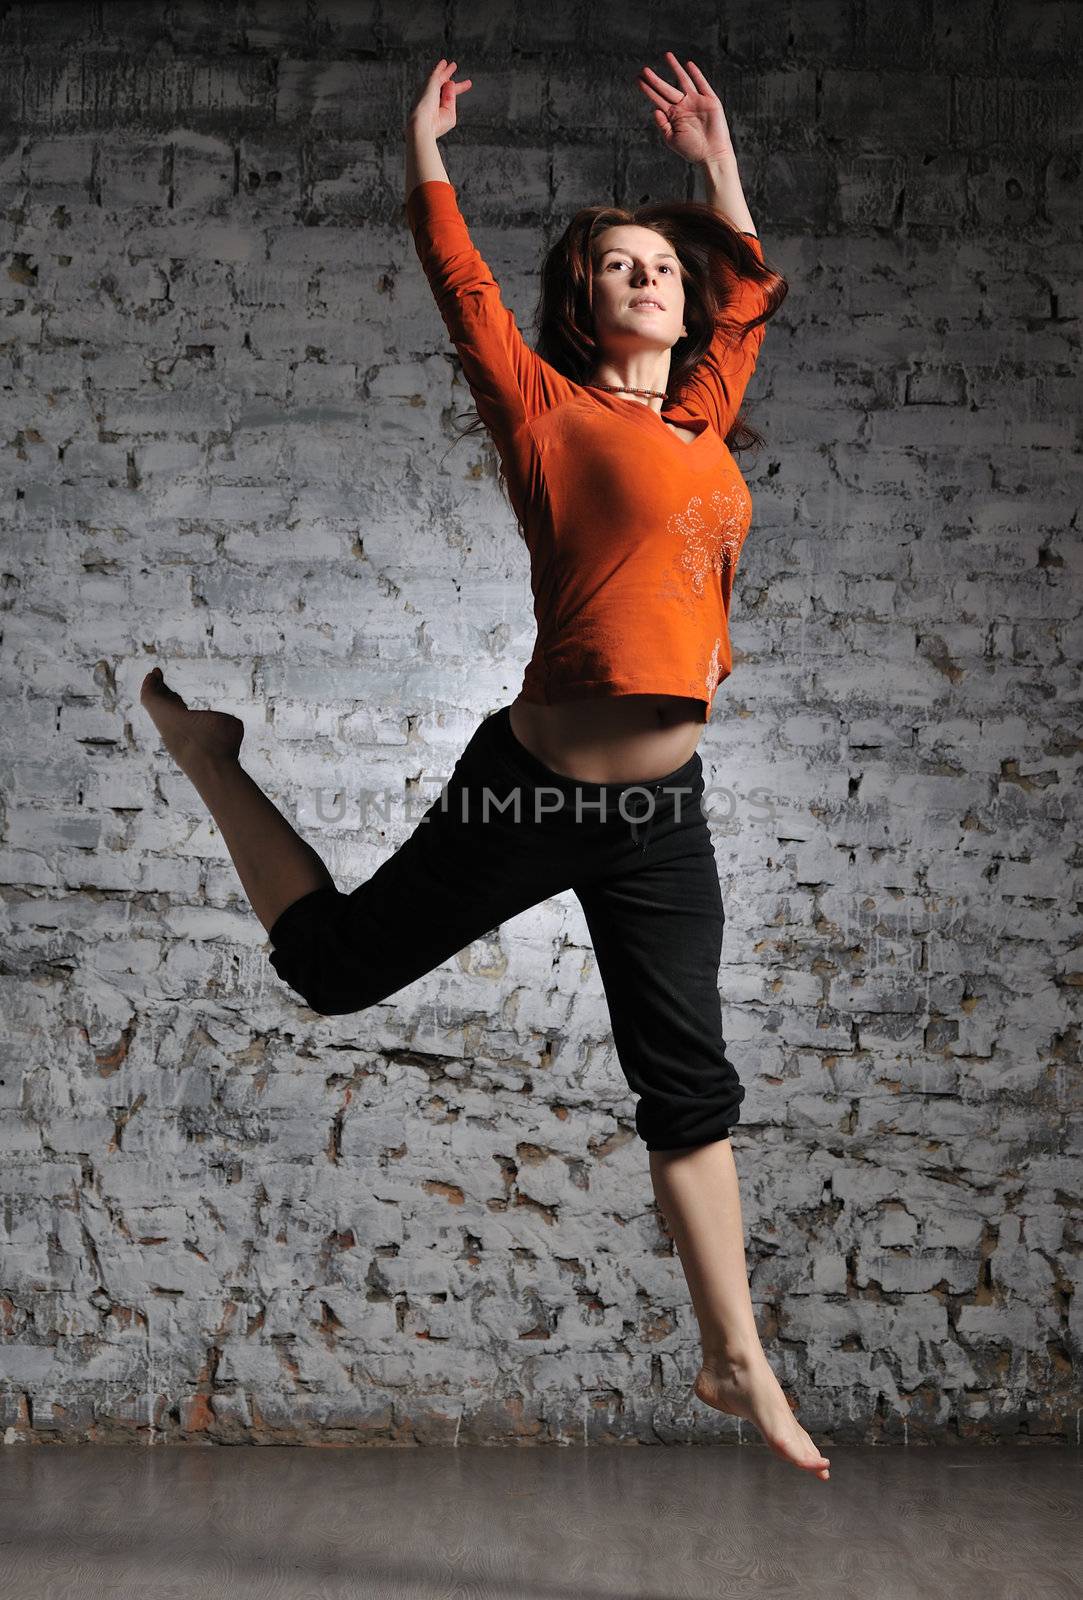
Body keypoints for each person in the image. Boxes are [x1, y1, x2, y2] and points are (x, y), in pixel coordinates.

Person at [140, 51, 829, 1480]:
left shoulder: (704, 421)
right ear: (582, 304)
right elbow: (457, 283)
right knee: (332, 969)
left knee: (687, 1089)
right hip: (528, 788)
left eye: (663, 265)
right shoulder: (546, 414)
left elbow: (750, 281)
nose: (651, 276)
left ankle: (734, 1354)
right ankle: (211, 761)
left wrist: (714, 162)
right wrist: (423, 147)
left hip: (658, 814)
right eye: (621, 266)